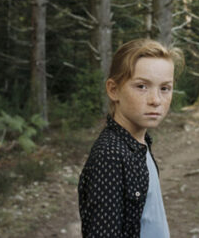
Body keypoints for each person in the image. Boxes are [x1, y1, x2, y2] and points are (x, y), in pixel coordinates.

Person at [78, 38, 183, 238]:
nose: (156, 100)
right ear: (113, 90)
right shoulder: (110, 157)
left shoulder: (139, 143)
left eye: (164, 88)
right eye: (142, 86)